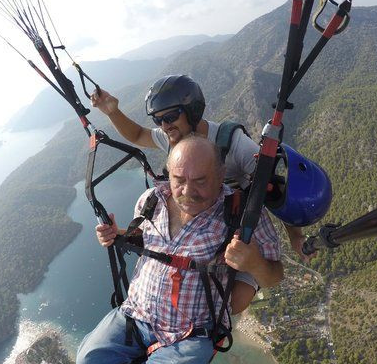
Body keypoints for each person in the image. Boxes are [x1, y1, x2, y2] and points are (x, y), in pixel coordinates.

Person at [76, 135, 283, 364]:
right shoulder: (151, 201)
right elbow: (145, 239)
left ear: (220, 176)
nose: (187, 190)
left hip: (188, 334)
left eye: (201, 181)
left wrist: (254, 263)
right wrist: (117, 236)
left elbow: (275, 275)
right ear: (168, 175)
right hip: (136, 314)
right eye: (179, 180)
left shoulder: (241, 216)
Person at [90, 74, 314, 259]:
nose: (165, 126)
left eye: (170, 116)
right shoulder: (173, 137)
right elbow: (138, 135)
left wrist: (295, 237)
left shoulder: (232, 141)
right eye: (158, 120)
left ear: (192, 111)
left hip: (228, 234)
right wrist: (112, 112)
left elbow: (274, 188)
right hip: (192, 231)